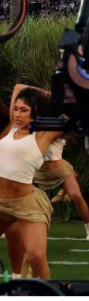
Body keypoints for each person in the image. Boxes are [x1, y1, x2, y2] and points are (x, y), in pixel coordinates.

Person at [0, 85, 68, 280]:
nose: (17, 114)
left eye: (24, 110)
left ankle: (46, 293)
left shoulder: (44, 135)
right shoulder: (12, 128)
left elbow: (70, 112)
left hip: (27, 204)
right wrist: (39, 96)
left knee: (36, 256)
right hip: (1, 202)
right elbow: (18, 87)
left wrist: (46, 99)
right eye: (16, 109)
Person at [33, 136, 89, 240]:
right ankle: (9, 226)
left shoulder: (60, 130)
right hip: (38, 170)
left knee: (76, 195)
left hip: (60, 169)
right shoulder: (33, 129)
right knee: (22, 196)